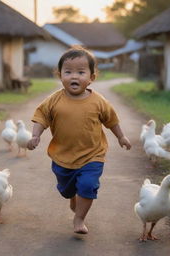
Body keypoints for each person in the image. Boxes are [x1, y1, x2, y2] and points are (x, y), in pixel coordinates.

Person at [27, 45, 131, 234]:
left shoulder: (99, 101)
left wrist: (121, 136)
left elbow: (111, 120)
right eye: (68, 72)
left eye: (81, 72)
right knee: (67, 190)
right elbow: (41, 116)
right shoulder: (53, 100)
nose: (74, 76)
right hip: (63, 156)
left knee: (88, 185)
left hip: (93, 155)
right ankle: (73, 196)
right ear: (60, 75)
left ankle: (79, 219)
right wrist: (35, 135)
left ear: (92, 77)